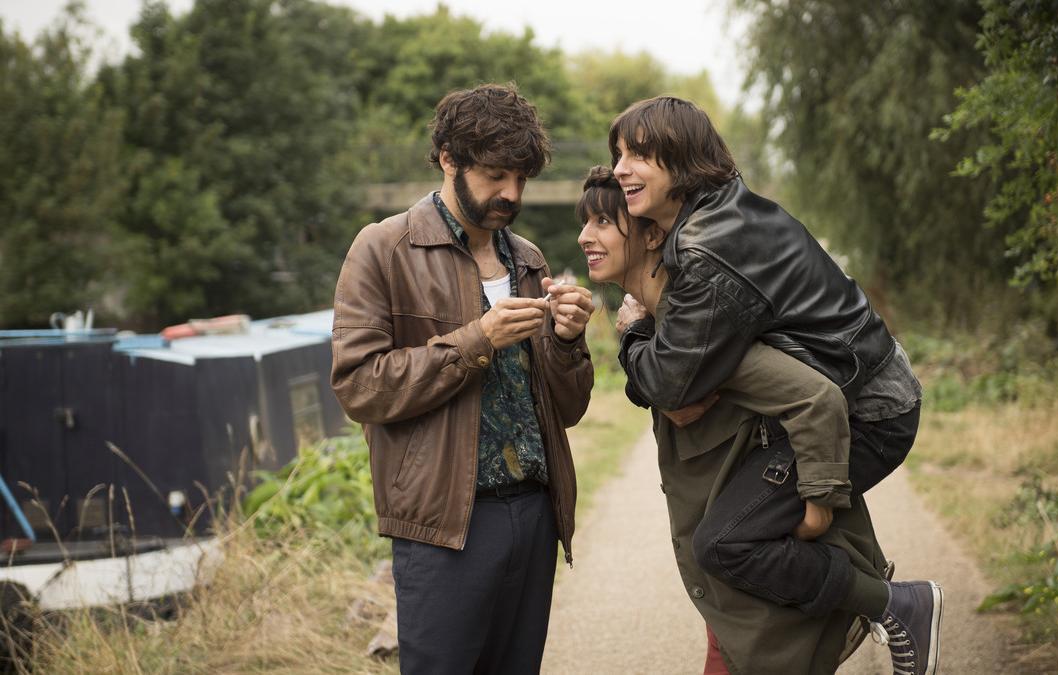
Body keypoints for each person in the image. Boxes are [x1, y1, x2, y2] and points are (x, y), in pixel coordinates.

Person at [608, 97, 942, 674]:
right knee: (749, 525)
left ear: (682, 160)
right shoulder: (723, 214)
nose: (620, 169)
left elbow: (669, 384)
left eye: (638, 154)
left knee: (726, 542)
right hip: (861, 393)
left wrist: (635, 332)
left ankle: (896, 606)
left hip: (871, 414)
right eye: (618, 154)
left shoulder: (708, 249)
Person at [330, 83, 595, 674]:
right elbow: (359, 385)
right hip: (444, 528)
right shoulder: (381, 249)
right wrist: (479, 339)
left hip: (533, 517)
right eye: (497, 175)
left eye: (522, 179)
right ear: (449, 158)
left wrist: (568, 342)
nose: (511, 193)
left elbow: (567, 411)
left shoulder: (528, 259)